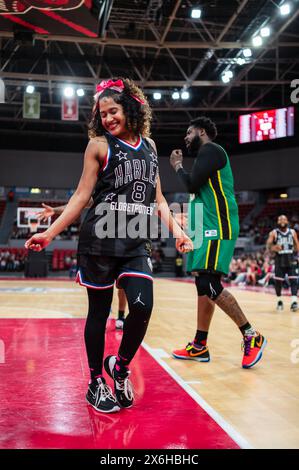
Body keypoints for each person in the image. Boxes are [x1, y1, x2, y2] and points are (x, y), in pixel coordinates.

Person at [25, 77, 192, 414]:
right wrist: (51, 233)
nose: (107, 119)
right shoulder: (98, 146)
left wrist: (178, 231)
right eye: (102, 114)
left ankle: (120, 366)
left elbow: (158, 199)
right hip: (99, 242)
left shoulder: (150, 146)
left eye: (113, 111)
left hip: (135, 243)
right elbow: (80, 197)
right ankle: (94, 381)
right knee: (99, 314)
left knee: (142, 308)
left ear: (130, 109)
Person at [169, 116, 267, 369]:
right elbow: (198, 193)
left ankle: (251, 335)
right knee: (202, 285)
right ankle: (199, 346)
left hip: (218, 226)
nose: (186, 137)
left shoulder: (211, 150)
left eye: (189, 132)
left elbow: (190, 183)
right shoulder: (206, 157)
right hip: (206, 227)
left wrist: (178, 166)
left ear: (202, 131)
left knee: (208, 283)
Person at [37, 202, 127, 329]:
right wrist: (55, 210)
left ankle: (121, 316)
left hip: (124, 242)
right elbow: (79, 202)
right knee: (102, 291)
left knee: (122, 286)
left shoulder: (129, 192)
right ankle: (105, 313)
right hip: (101, 245)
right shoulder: (103, 189)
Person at [266, 214, 299, 311]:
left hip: (291, 258)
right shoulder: (274, 233)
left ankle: (294, 302)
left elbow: (297, 245)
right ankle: (279, 301)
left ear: (287, 221)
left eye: (284, 219)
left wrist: (295, 253)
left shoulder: (292, 232)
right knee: (278, 282)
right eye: (280, 219)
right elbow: (268, 245)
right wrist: (272, 247)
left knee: (294, 281)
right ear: (277, 222)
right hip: (279, 260)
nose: (282, 221)